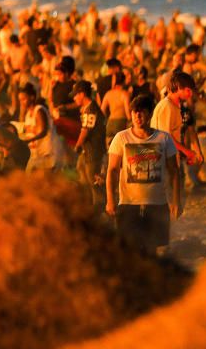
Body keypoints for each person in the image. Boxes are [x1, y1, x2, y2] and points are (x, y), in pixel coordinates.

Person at [105, 94, 180, 253]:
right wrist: (110, 200)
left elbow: (174, 171)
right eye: (134, 112)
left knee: (153, 250)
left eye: (141, 112)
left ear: (150, 114)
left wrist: (176, 200)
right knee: (129, 250)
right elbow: (112, 170)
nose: (137, 116)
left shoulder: (163, 138)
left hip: (157, 204)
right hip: (128, 204)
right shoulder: (121, 137)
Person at [71, 80, 107, 209]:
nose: (74, 98)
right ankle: (88, 205)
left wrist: (77, 146)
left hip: (93, 152)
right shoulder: (87, 109)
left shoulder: (91, 110)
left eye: (75, 95)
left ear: (82, 94)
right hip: (88, 151)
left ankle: (101, 209)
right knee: (82, 172)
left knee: (94, 182)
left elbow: (85, 131)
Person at [17, 82, 63, 170]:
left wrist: (28, 141)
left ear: (32, 97)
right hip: (37, 154)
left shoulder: (39, 110)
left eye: (23, 99)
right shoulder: (27, 114)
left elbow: (43, 131)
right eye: (20, 100)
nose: (21, 102)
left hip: (47, 153)